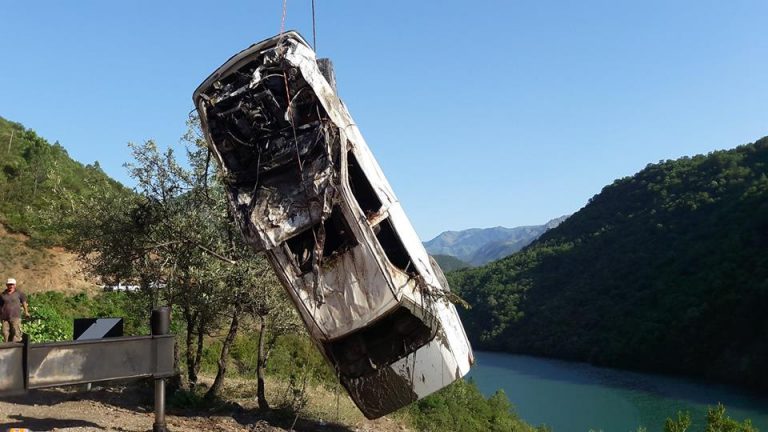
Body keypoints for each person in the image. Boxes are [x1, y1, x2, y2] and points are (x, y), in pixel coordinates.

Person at [1, 278, 30, 343]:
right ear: (6, 285)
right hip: (5, 317)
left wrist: (26, 312)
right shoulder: (2, 294)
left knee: (16, 332)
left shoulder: (19, 293)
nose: (11, 286)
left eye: (12, 284)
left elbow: (24, 303)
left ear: (15, 285)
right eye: (9, 284)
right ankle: (7, 346)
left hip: (15, 316)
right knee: (5, 332)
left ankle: (16, 347)